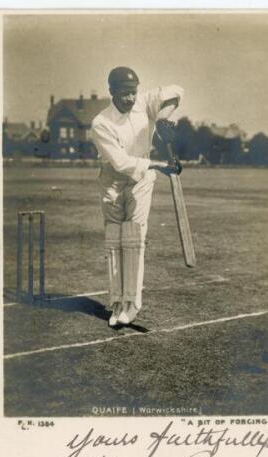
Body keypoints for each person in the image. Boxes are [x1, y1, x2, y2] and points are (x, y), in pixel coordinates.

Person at [91, 66, 184, 326]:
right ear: (111, 92)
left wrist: (164, 118)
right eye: (124, 94)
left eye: (133, 92)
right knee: (114, 241)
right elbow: (120, 163)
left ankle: (132, 303)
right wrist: (158, 166)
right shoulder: (101, 122)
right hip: (113, 178)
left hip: (141, 179)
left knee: (133, 237)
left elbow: (176, 92)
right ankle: (116, 303)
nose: (130, 99)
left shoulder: (143, 103)